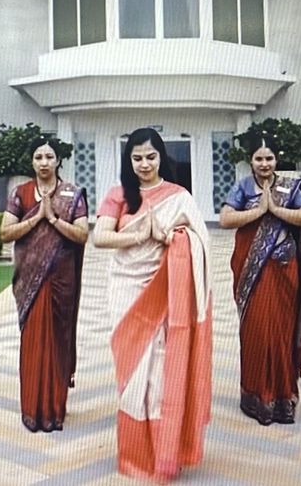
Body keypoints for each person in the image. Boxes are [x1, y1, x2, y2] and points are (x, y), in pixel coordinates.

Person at [92, 127, 212, 482]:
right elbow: (100, 237)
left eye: (151, 156)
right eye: (137, 158)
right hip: (127, 290)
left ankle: (165, 451)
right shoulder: (118, 195)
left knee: (162, 371)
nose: (144, 164)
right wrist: (142, 233)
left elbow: (199, 239)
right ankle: (134, 453)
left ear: (161, 157)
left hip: (167, 292)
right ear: (129, 161)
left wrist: (176, 236)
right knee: (132, 373)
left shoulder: (179, 196)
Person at [218, 136, 301, 425]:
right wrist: (257, 212)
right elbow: (225, 218)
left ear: (276, 160)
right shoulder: (244, 186)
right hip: (252, 272)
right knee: (257, 331)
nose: (264, 164)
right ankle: (257, 397)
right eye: (259, 159)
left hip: (284, 270)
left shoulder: (288, 187)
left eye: (269, 158)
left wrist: (276, 211)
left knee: (281, 332)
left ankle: (283, 397)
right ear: (251, 161)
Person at [0, 137, 90, 432]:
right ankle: (31, 410)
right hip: (29, 279)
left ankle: (54, 411)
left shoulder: (72, 193)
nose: (43, 162)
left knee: (59, 339)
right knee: (33, 342)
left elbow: (81, 235)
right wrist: (36, 217)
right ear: (32, 162)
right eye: (38, 157)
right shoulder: (20, 193)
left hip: (61, 278)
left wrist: (52, 219)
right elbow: (6, 233)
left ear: (57, 161)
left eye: (49, 156)